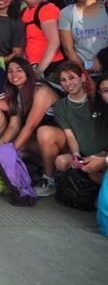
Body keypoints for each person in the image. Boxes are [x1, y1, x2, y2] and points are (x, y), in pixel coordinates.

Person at [35, 63, 108, 196]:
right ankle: (49, 180)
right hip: (82, 154)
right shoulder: (61, 106)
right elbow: (69, 136)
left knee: (96, 176)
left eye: (72, 78)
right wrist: (76, 155)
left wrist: (102, 156)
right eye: (64, 80)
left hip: (103, 154)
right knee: (61, 162)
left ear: (82, 78)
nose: (68, 83)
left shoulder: (98, 100)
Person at [0, 57, 61, 155]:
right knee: (15, 149)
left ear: (27, 72)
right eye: (10, 71)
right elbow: (13, 127)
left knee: (16, 147)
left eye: (19, 70)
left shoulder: (40, 91)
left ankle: (48, 170)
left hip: (58, 137)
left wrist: (9, 152)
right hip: (40, 137)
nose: (14, 74)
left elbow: (30, 126)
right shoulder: (17, 94)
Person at [59, 0, 108, 74]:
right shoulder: (67, 13)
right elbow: (69, 50)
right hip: (83, 68)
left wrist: (101, 59)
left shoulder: (106, 9)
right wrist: (84, 73)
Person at [20, 0, 64, 77]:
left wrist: (39, 70)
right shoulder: (24, 11)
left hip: (49, 66)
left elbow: (54, 42)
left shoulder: (47, 9)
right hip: (30, 66)